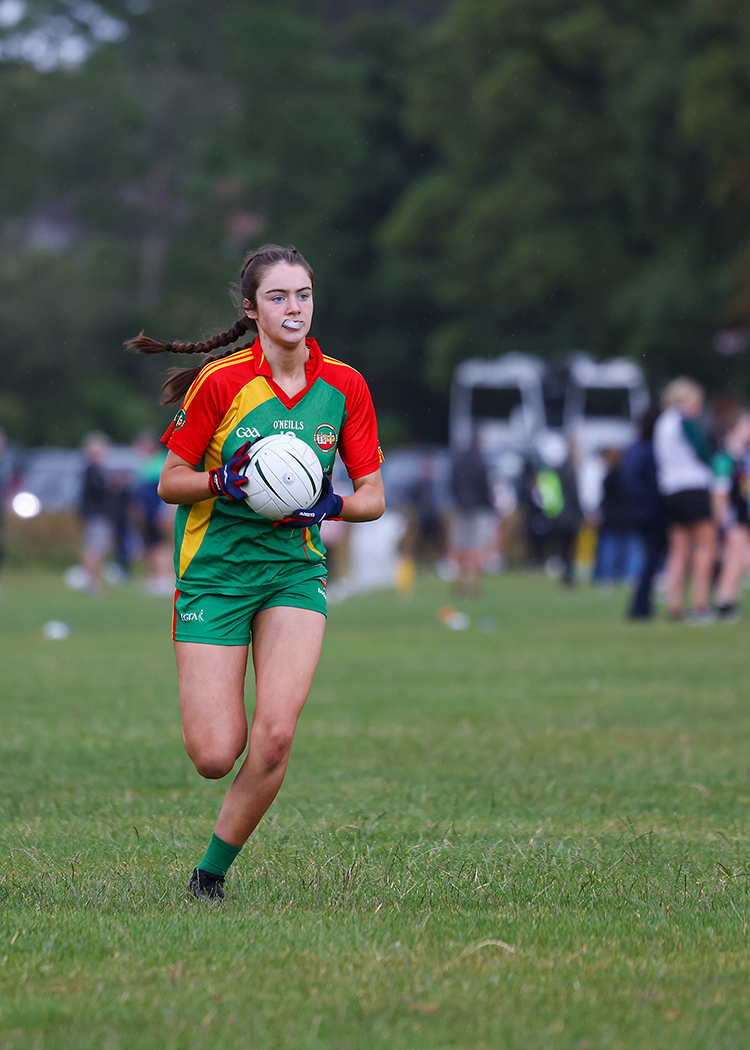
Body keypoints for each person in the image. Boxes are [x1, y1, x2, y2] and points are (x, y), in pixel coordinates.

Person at [127, 244, 384, 902]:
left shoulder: (344, 386)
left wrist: (332, 504)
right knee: (216, 754)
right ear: (252, 309)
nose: (293, 307)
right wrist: (224, 481)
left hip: (292, 573)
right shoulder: (222, 383)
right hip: (214, 576)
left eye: (302, 295)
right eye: (278, 297)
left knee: (273, 738)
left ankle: (209, 875)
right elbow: (170, 483)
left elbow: (374, 497)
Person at [652, 377, 716, 623]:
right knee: (705, 545)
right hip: (692, 487)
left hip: (670, 489)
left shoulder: (662, 423)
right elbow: (703, 452)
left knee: (678, 550)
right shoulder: (683, 420)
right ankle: (700, 605)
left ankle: (674, 605)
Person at [620, 403, 668, 620]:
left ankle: (641, 606)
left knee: (649, 559)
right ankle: (641, 607)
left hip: (638, 511)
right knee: (652, 560)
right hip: (652, 511)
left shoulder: (633, 449)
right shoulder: (652, 450)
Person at [710, 406, 750, 621]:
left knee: (740, 560)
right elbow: (719, 494)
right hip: (733, 519)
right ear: (734, 428)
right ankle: (724, 601)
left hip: (742, 518)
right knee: (736, 559)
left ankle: (728, 599)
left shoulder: (742, 456)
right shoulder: (725, 458)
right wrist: (725, 523)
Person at [448, 436, 496, 596]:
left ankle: (461, 581)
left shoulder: (458, 461)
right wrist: (490, 506)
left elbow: (452, 484)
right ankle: (474, 583)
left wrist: (459, 501)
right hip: (479, 509)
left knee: (461, 547)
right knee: (477, 547)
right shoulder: (480, 461)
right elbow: (485, 486)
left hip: (462, 508)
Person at [78, 431, 117, 594]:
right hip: (96, 515)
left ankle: (93, 580)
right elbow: (102, 489)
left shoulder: (94, 471)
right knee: (94, 548)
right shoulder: (93, 471)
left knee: (96, 547)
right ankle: (91, 581)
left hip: (96, 515)